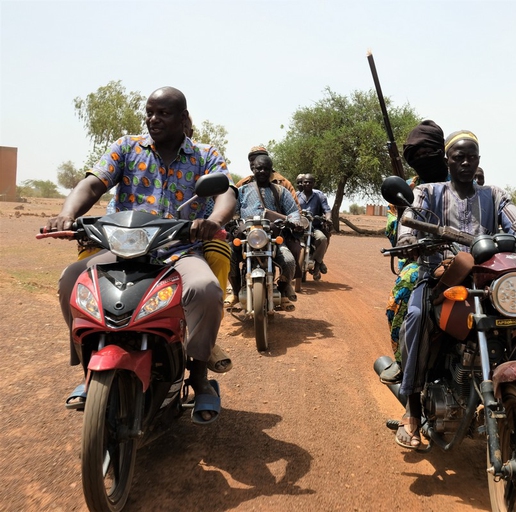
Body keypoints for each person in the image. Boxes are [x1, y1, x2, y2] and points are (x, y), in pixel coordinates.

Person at [49, 86, 236, 425]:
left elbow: (225, 193)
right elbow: (93, 184)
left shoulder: (204, 154)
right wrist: (67, 213)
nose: (153, 119)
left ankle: (198, 376)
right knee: (70, 281)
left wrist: (213, 221)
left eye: (163, 113)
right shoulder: (126, 148)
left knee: (206, 291)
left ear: (183, 118)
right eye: (150, 112)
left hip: (178, 252)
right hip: (121, 249)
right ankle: (89, 366)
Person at [393, 130, 516, 448]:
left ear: (479, 159)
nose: (465, 162)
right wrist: (408, 240)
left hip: (486, 282)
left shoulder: (493, 195)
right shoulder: (428, 191)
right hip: (441, 279)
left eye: (472, 156)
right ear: (447, 161)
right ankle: (411, 408)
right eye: (458, 157)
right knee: (418, 314)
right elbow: (410, 219)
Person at [380, 119, 450, 385]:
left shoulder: (461, 178)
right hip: (422, 259)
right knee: (399, 297)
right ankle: (403, 361)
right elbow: (393, 235)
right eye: (416, 155)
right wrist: (402, 213)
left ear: (440, 150)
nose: (422, 158)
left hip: (466, 257)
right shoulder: (408, 187)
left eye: (427, 152)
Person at [229, 147, 300, 305]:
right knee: (229, 256)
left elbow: (293, 212)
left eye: (266, 169)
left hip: (272, 237)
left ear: (271, 170)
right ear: (253, 169)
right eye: (259, 168)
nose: (262, 171)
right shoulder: (241, 191)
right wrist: (233, 222)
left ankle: (283, 288)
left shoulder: (281, 191)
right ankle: (234, 292)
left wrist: (294, 221)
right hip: (246, 236)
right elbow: (232, 211)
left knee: (288, 261)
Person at [298, 173, 332, 280]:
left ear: (314, 183)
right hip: (298, 227)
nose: (307, 184)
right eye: (305, 182)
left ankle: (317, 264)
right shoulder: (296, 196)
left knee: (322, 239)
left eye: (310, 182)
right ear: (302, 183)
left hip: (314, 227)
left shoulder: (319, 196)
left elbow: (327, 210)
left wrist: (328, 218)